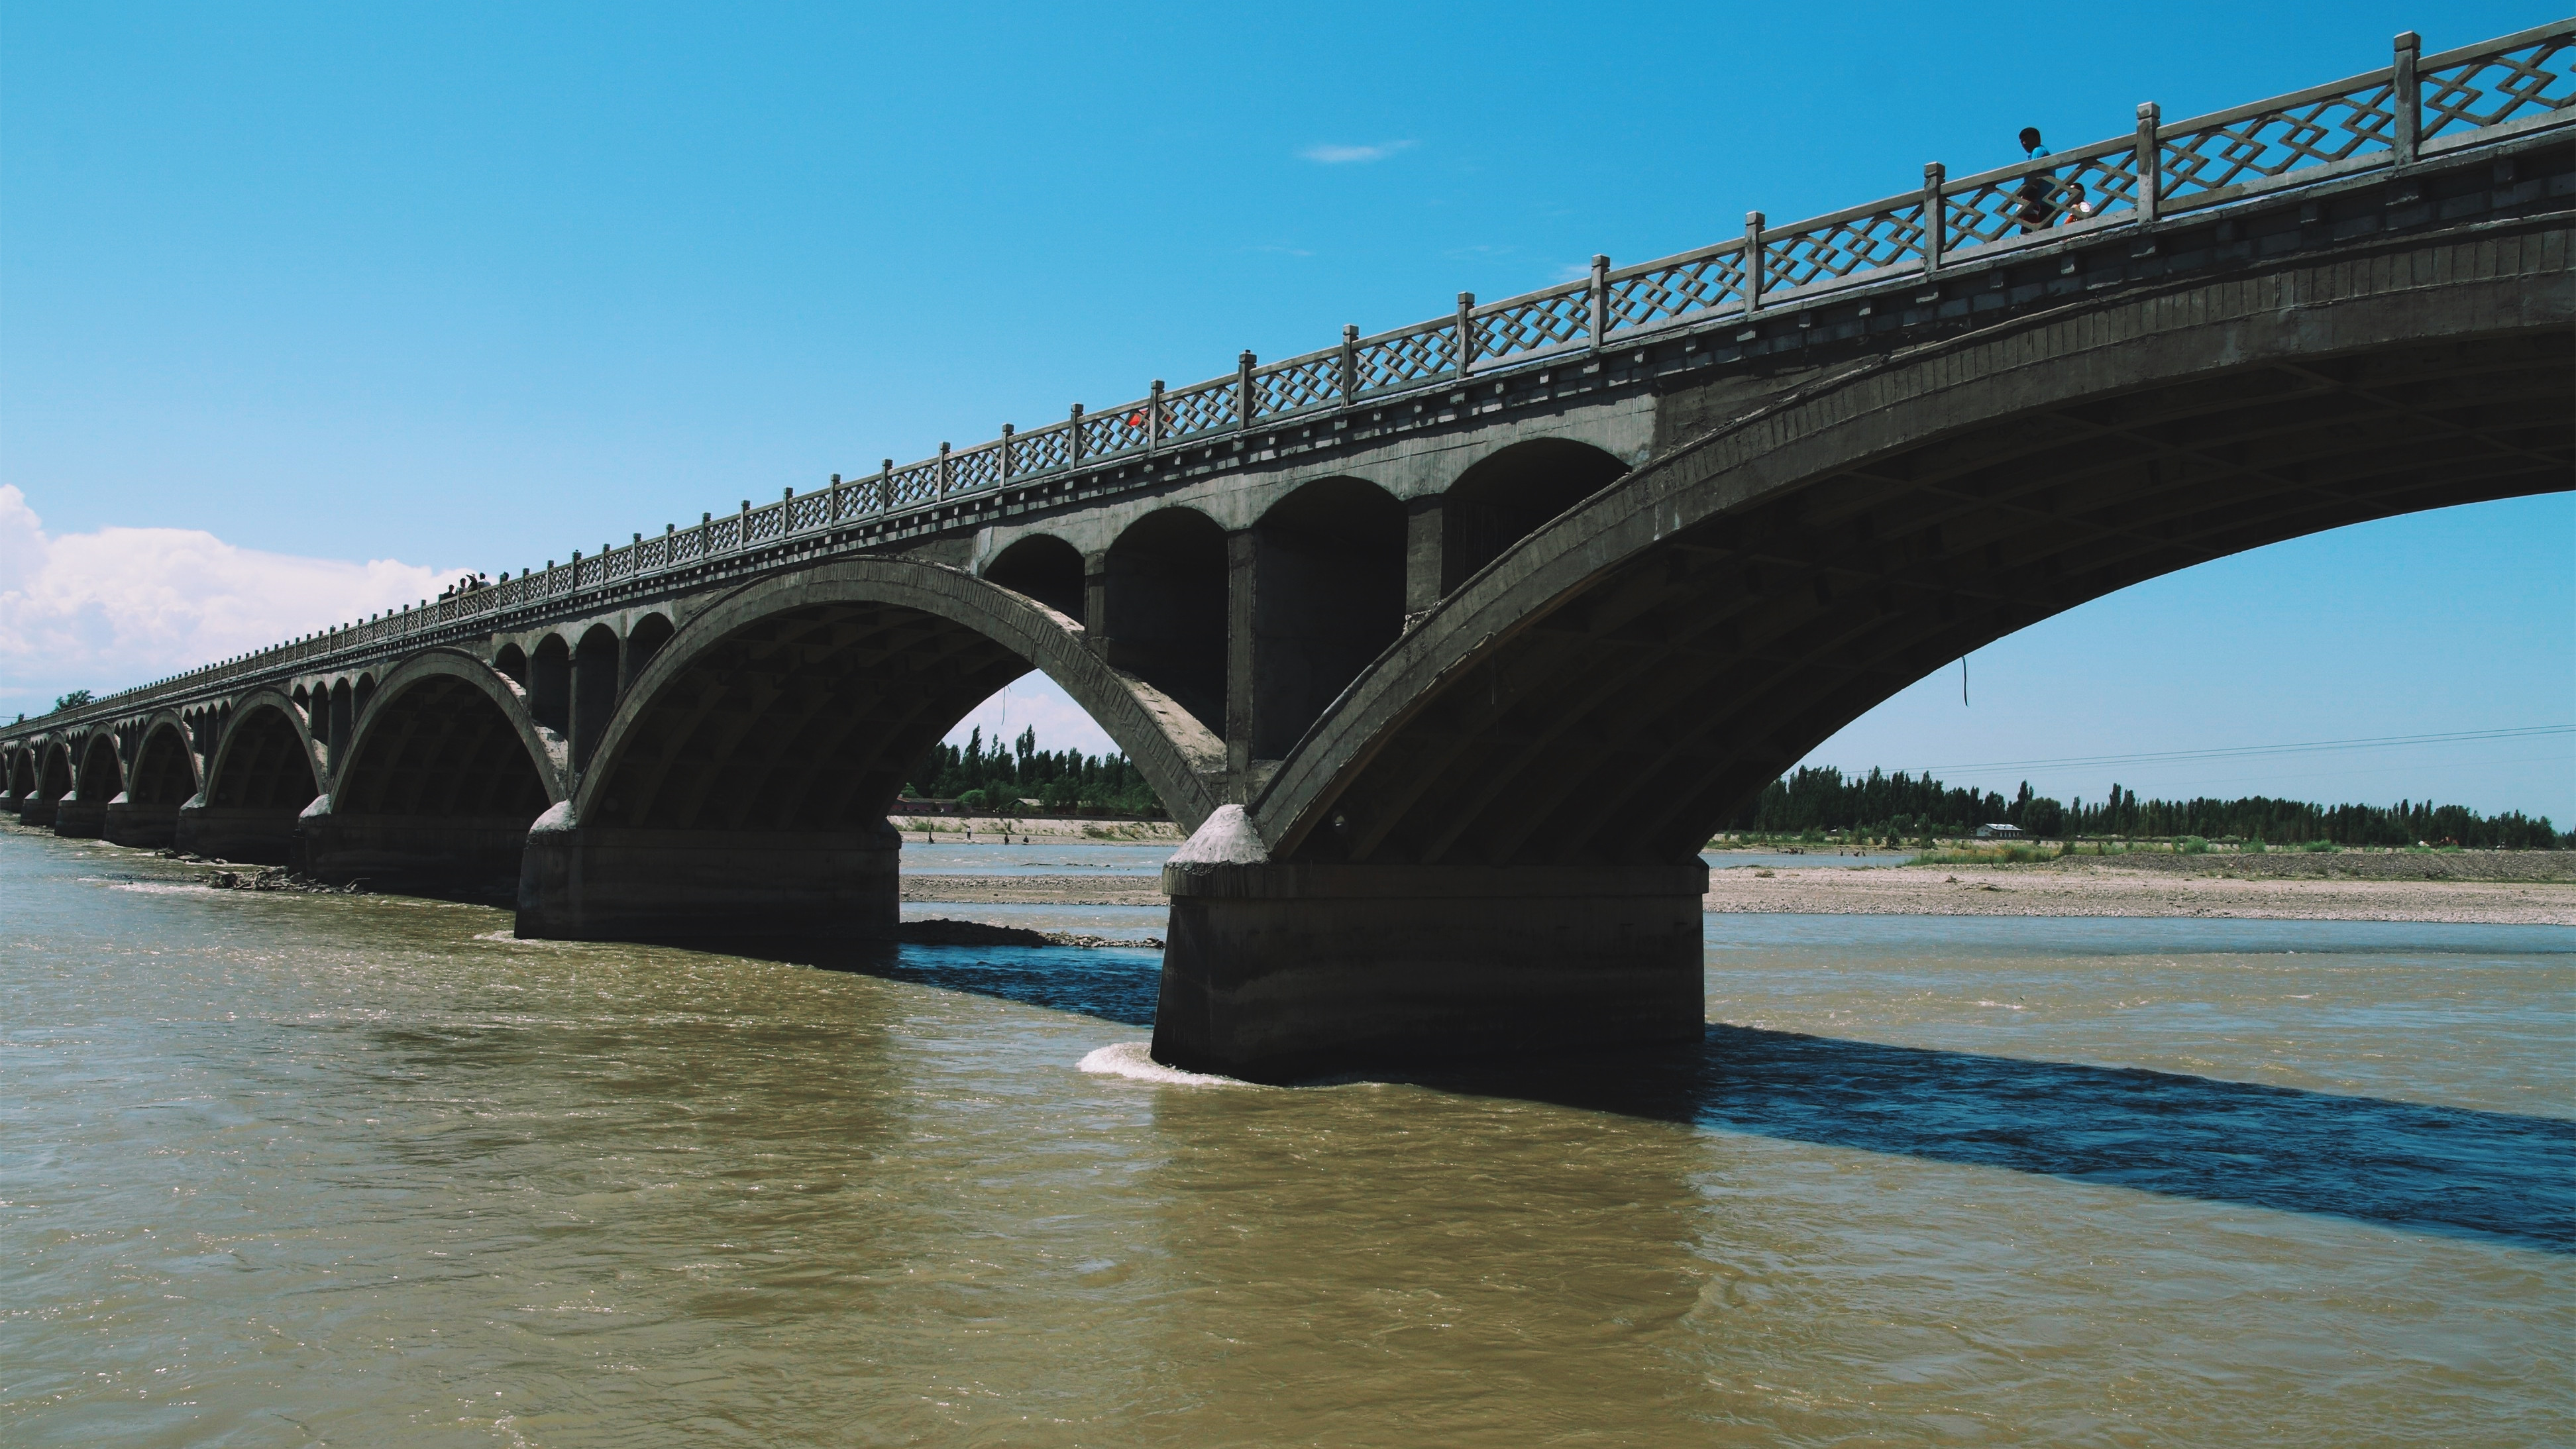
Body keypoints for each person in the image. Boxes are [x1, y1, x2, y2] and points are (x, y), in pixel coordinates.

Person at [2016, 127, 2057, 233]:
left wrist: (2029, 194)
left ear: (2037, 138)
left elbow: (2036, 173)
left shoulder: (2038, 150)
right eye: (2022, 141)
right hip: (2046, 203)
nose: (2024, 143)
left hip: (2039, 203)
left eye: (2027, 139)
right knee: (2043, 235)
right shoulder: (2039, 152)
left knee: (2030, 236)